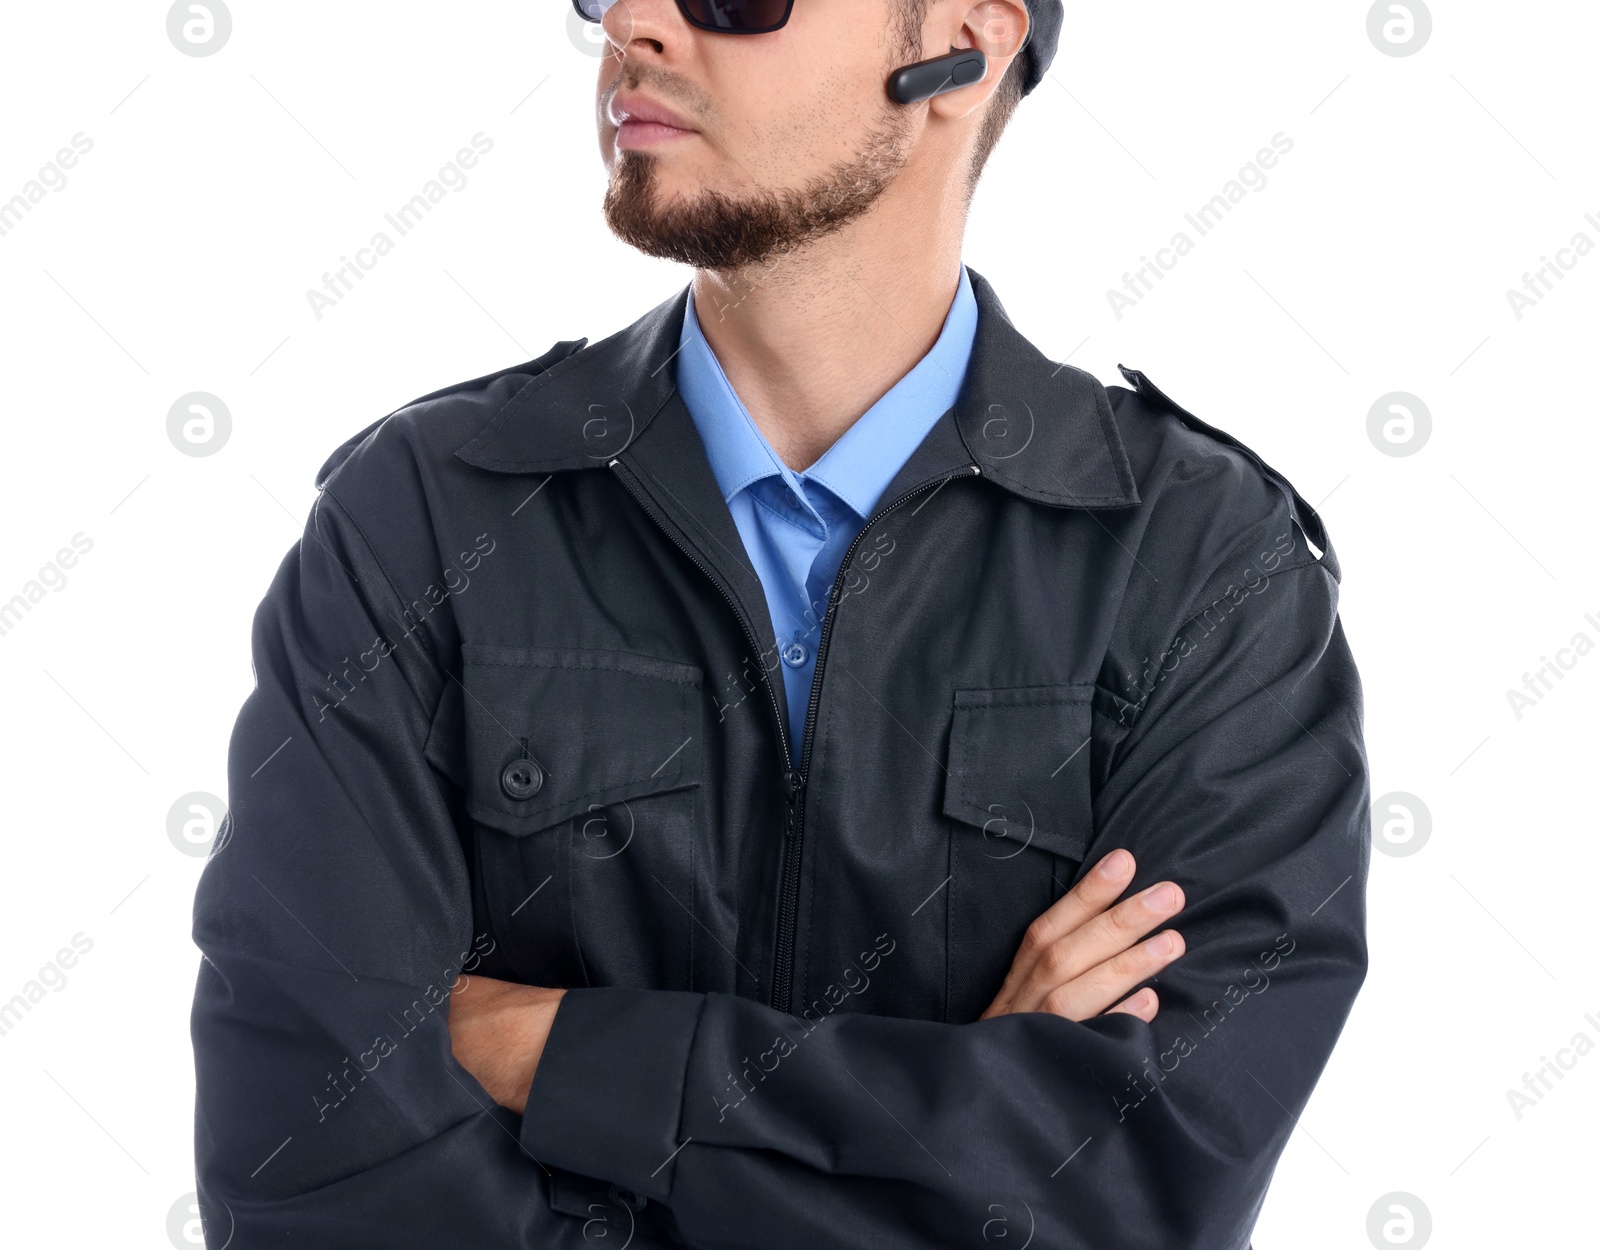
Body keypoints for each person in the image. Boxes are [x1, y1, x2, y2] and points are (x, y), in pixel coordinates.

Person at [190, 1, 1369, 1246]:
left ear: (961, 44)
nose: (635, 23)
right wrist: (961, 1107)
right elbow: (309, 1179)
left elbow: (1133, 1194)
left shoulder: (1199, 566)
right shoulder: (423, 517)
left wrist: (566, 1056)